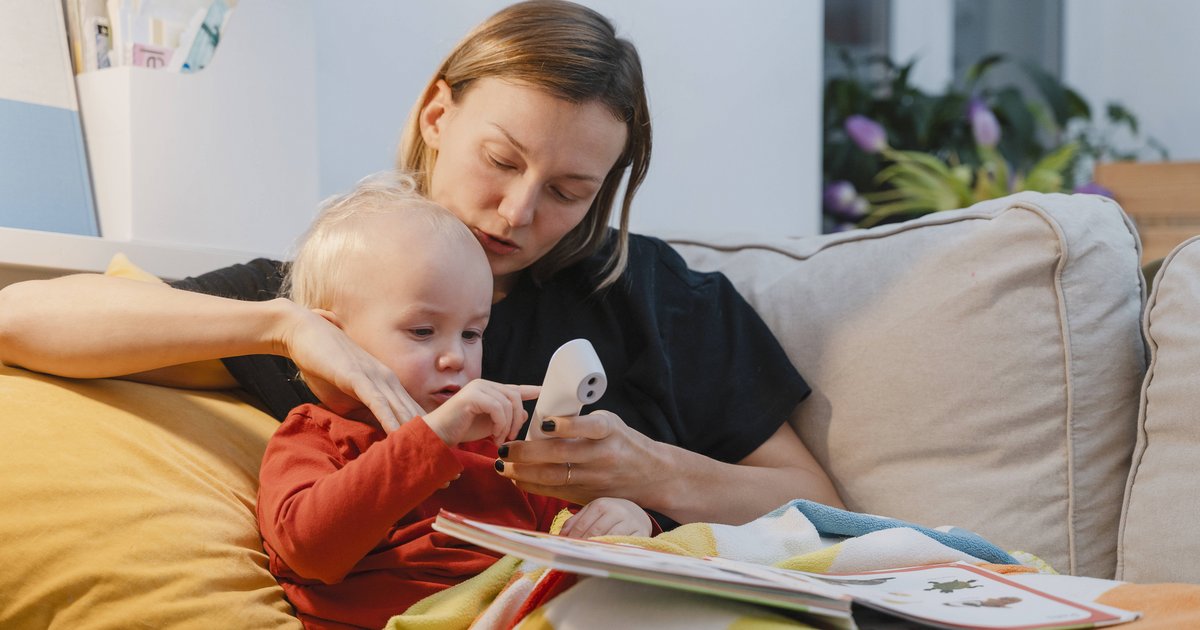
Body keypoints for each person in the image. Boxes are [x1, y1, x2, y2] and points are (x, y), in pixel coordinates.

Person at [0, 0, 843, 529]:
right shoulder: (337, 298)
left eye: (570, 190)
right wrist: (286, 324)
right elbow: (22, 323)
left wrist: (651, 471)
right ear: (438, 113)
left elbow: (823, 503)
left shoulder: (659, 297)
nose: (518, 213)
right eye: (502, 161)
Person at [258, 171, 652, 629]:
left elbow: (567, 528)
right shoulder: (312, 438)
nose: (455, 357)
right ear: (332, 339)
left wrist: (624, 518)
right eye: (422, 331)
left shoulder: (493, 451)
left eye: (472, 333)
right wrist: (434, 436)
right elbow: (310, 550)